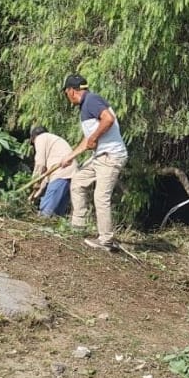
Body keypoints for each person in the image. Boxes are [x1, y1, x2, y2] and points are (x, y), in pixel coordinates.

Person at [59, 75, 128, 251]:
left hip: (110, 157)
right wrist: (70, 156)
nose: (67, 97)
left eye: (66, 93)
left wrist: (95, 137)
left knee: (100, 196)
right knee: (78, 181)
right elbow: (88, 140)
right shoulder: (86, 106)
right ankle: (78, 226)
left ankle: (105, 240)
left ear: (71, 91)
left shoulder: (91, 100)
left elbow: (108, 119)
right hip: (100, 157)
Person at [27, 125, 75, 218]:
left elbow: (40, 164)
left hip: (61, 173)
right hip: (70, 174)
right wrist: (36, 193)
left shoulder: (40, 138)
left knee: (45, 213)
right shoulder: (52, 141)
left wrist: (35, 180)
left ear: (33, 138)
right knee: (57, 215)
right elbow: (45, 177)